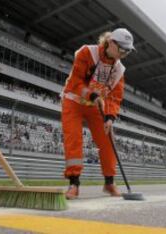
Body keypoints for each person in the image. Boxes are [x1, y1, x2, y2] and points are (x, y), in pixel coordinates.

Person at [61, 28, 135, 199]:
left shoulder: (119, 70)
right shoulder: (87, 52)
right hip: (73, 100)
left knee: (108, 139)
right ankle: (74, 183)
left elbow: (115, 97)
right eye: (122, 49)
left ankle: (109, 183)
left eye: (128, 51)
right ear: (110, 42)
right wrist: (91, 94)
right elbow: (75, 82)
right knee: (74, 138)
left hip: (96, 106)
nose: (124, 53)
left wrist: (110, 117)